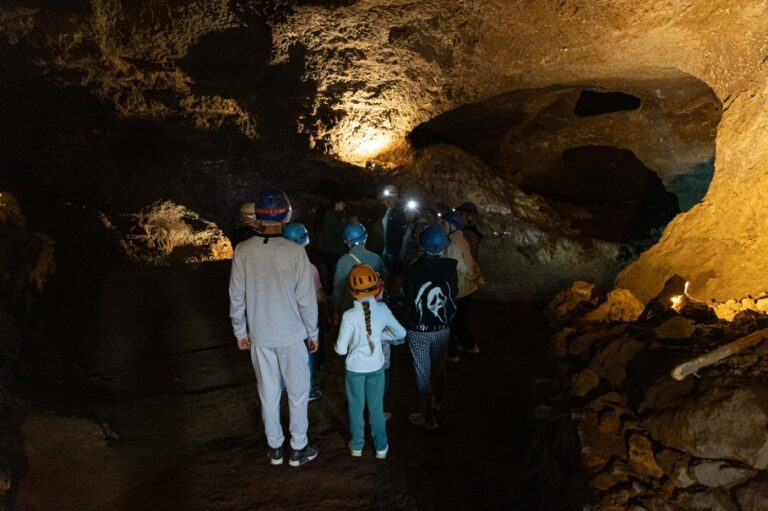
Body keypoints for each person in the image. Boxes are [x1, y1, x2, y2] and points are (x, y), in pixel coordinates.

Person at [229, 189, 319, 467]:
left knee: (268, 393)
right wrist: (312, 333)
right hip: (292, 334)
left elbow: (236, 295)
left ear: (257, 216)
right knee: (298, 391)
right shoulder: (295, 252)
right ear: (286, 213)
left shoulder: (243, 251)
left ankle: (276, 448)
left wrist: (240, 332)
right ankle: (298, 448)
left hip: (260, 335)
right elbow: (306, 299)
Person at [335, 264, 406, 459]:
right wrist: (380, 337)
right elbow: (401, 332)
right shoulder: (382, 309)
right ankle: (381, 447)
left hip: (355, 370)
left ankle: (357, 446)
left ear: (351, 291)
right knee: (376, 408)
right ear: (377, 287)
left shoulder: (349, 316)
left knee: (356, 408)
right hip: (377, 367)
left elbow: (340, 350)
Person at [403, 224, 458, 429]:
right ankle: (438, 402)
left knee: (422, 372)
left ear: (422, 245)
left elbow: (409, 299)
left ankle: (427, 417)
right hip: (443, 328)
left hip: (419, 329)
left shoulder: (413, 270)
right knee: (439, 367)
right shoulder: (450, 268)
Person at [284, 222, 328, 401]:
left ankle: (285, 387)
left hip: (285, 318)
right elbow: (319, 296)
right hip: (304, 319)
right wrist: (325, 312)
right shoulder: (309, 268)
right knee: (307, 355)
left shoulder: (278, 266)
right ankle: (308, 389)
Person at [441, 211, 481, 362]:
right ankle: (470, 346)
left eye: (444, 224)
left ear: (452, 225)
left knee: (449, 321)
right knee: (461, 320)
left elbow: (460, 266)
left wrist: (472, 275)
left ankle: (451, 354)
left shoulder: (452, 244)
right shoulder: (461, 237)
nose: (442, 226)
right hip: (468, 288)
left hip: (458, 289)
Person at [332, 222, 383, 316]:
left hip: (351, 309)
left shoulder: (343, 261)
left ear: (346, 241)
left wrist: (336, 309)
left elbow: (338, 291)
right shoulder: (377, 259)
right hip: (374, 308)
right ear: (365, 237)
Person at [455, 202, 484, 354]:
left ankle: (469, 345)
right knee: (461, 315)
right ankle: (466, 344)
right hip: (467, 278)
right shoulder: (470, 233)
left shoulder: (468, 235)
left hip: (464, 278)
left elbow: (467, 258)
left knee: (460, 316)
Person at [380, 185, 407, 303]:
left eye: (389, 197)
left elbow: (400, 232)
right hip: (386, 247)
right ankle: (388, 293)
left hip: (395, 248)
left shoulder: (399, 212)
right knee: (386, 271)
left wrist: (396, 249)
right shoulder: (387, 210)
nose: (387, 200)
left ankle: (396, 296)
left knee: (395, 273)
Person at [317, 195, 347, 295]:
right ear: (337, 204)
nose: (344, 205)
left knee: (332, 270)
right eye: (342, 203)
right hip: (332, 248)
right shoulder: (331, 214)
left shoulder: (336, 214)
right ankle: (331, 292)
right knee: (332, 271)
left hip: (333, 247)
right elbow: (337, 231)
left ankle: (332, 291)